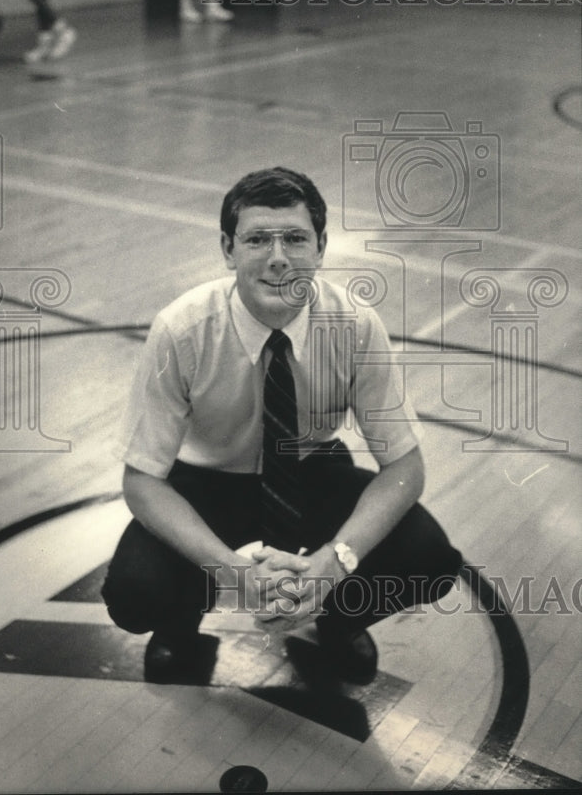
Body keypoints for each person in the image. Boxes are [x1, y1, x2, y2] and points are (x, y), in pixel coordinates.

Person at [102, 167, 462, 685]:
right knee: (135, 594)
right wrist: (232, 572)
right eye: (257, 240)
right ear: (228, 249)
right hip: (209, 481)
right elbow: (141, 480)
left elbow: (405, 466)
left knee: (429, 558)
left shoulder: (355, 325)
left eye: (294, 238)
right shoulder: (181, 329)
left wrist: (334, 564)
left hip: (312, 471)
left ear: (320, 248)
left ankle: (336, 621)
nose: (277, 257)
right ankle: (178, 627)